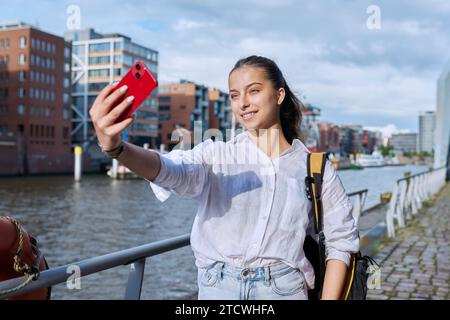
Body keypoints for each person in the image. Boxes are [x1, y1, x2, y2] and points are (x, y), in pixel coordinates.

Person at [90, 55, 359, 300]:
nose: (242, 103)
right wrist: (116, 149)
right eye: (234, 95)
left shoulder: (315, 168)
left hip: (284, 290)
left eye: (254, 91)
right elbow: (172, 171)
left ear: (279, 95)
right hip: (217, 288)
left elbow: (341, 241)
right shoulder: (217, 155)